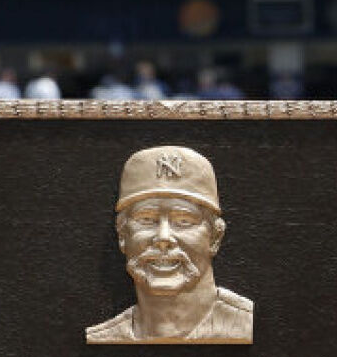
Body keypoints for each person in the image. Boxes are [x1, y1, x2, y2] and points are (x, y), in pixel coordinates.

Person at [86, 146, 253, 344]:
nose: (163, 237)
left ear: (215, 238)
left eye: (183, 221)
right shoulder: (104, 339)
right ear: (122, 235)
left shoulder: (246, 323)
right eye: (146, 219)